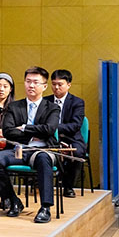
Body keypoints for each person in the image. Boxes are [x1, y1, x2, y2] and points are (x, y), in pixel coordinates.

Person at [0, 66, 60, 224]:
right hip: (19, 150)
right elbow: (8, 131)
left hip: (42, 149)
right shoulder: (14, 106)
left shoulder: (52, 108)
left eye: (35, 82)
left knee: (44, 159)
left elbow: (49, 129)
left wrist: (25, 128)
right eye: (28, 81)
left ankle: (45, 208)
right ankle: (13, 200)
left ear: (44, 86)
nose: (31, 85)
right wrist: (35, 133)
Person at [43, 69, 85, 198]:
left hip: (71, 137)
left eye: (60, 84)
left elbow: (75, 125)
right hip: (49, 138)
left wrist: (54, 128)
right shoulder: (45, 101)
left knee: (77, 153)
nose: (56, 87)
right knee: (40, 151)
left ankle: (68, 186)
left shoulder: (77, 102)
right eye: (53, 84)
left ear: (68, 85)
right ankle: (42, 185)